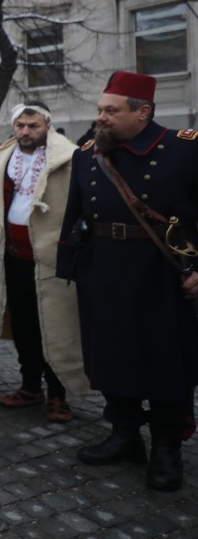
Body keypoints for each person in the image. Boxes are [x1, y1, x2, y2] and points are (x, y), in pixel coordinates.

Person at [57, 71, 198, 492]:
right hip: (102, 270)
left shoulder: (184, 150)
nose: (101, 118)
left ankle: (167, 448)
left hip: (162, 272)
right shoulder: (88, 153)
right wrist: (69, 263)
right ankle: (124, 435)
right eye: (100, 109)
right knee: (110, 355)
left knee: (166, 361)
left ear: (143, 113)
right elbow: (74, 211)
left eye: (111, 111)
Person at [0, 101, 86, 423]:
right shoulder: (3, 156)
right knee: (24, 326)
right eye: (20, 126)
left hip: (50, 258)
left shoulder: (67, 157)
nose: (26, 132)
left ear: (47, 126)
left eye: (33, 126)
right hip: (11, 256)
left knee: (55, 327)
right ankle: (30, 386)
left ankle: (59, 394)